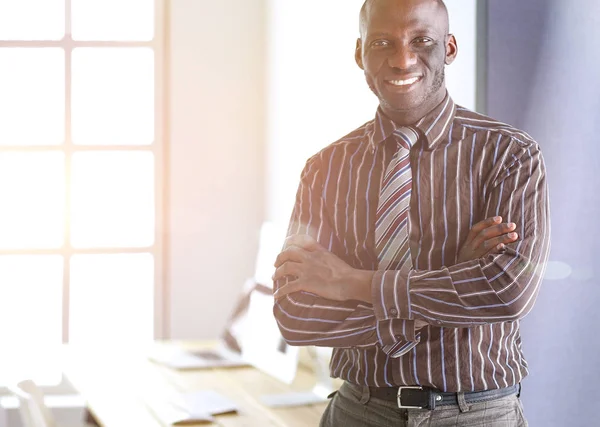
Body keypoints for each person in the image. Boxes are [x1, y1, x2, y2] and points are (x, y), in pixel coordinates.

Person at [272, 0, 550, 425]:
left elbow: (506, 291)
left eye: (422, 40)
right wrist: (454, 281)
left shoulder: (510, 155)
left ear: (450, 48)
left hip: (475, 414)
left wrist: (349, 283)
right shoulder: (325, 168)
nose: (402, 59)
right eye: (383, 43)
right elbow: (297, 316)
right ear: (359, 53)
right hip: (358, 411)